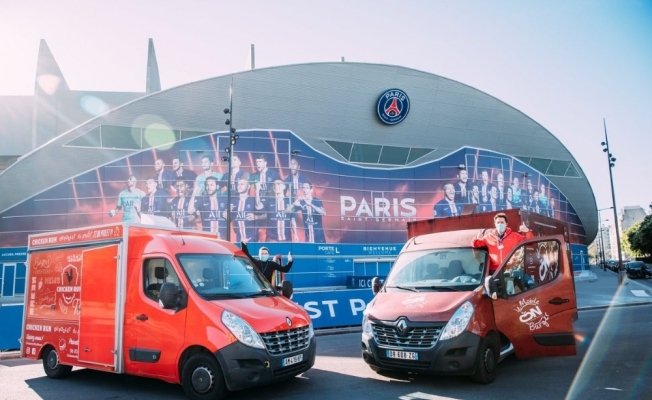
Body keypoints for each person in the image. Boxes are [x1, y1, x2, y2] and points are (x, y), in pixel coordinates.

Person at [231, 172, 265, 242]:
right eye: (238, 184)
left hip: (252, 240)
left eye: (242, 184)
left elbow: (266, 215)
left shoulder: (253, 200)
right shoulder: (233, 201)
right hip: (239, 240)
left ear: (248, 186)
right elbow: (231, 220)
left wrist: (257, 217)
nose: (239, 186)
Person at [285, 156, 308, 241]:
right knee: (292, 218)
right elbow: (284, 194)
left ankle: (307, 238)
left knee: (306, 219)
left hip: (303, 202)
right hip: (293, 203)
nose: (292, 166)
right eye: (290, 164)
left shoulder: (304, 179)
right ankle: (295, 236)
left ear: (298, 167)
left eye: (294, 164)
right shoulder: (287, 180)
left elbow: (308, 191)